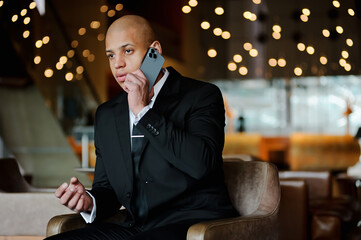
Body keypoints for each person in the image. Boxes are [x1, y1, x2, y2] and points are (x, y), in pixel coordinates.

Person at [47, 15, 238, 240]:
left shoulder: (201, 96)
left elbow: (202, 164)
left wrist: (143, 111)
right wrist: (89, 201)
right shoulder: (108, 114)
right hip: (135, 227)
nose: (117, 63)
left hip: (191, 224)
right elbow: (107, 189)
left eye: (127, 51)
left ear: (153, 52)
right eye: (111, 55)